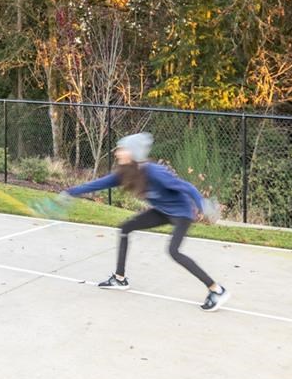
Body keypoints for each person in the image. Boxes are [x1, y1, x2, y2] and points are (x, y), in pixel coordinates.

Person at [64, 132, 229, 312]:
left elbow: (186, 187)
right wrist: (71, 192)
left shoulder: (154, 172)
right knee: (125, 228)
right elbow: (98, 184)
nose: (117, 153)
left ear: (132, 153)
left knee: (174, 251)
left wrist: (202, 205)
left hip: (182, 212)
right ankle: (120, 279)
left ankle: (216, 290)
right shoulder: (126, 173)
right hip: (162, 211)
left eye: (122, 149)